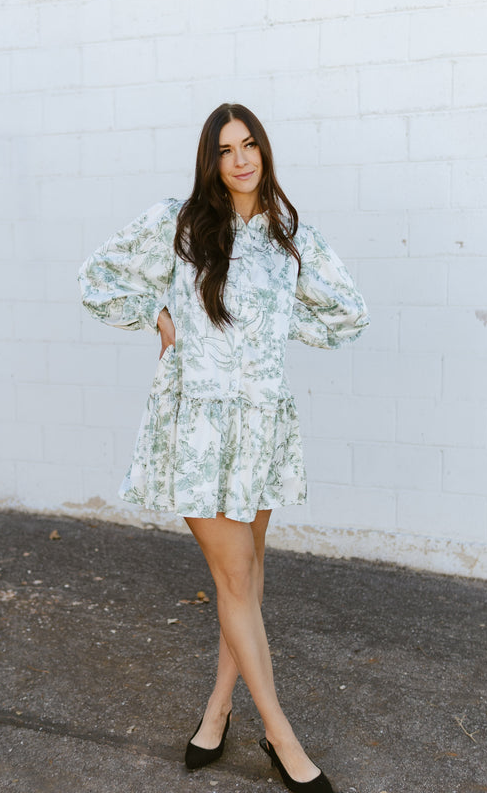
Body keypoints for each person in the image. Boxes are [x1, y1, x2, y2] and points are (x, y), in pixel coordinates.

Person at [78, 103, 369, 792]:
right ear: (209, 160)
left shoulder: (289, 234)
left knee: (244, 580)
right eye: (225, 149)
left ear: (263, 152)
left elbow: (347, 313)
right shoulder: (177, 222)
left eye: (249, 145)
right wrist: (158, 315)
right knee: (234, 582)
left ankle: (215, 713)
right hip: (195, 427)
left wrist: (267, 331)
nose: (239, 159)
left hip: (261, 425)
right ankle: (279, 735)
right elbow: (96, 278)